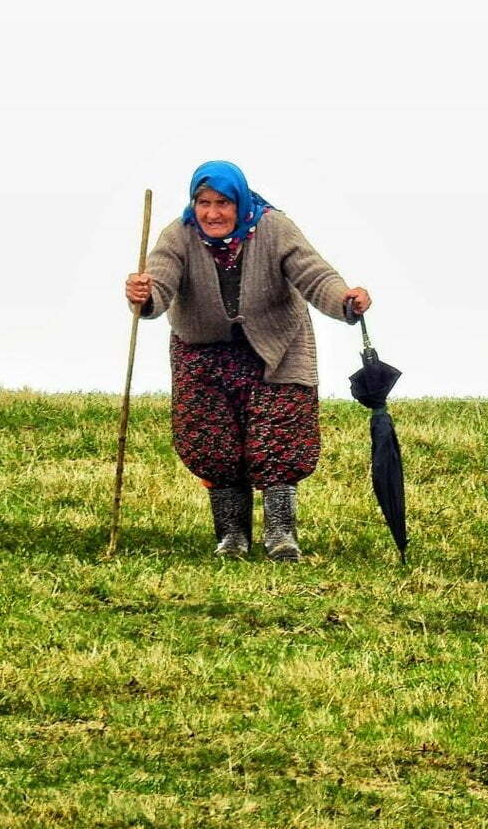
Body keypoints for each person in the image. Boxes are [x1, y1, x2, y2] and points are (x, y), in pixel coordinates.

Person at [125, 160, 371, 561]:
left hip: (276, 346)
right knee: (212, 444)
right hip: (202, 352)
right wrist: (144, 295)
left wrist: (346, 300)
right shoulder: (179, 234)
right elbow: (160, 282)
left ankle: (281, 535)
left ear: (240, 202)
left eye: (223, 202)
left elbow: (314, 275)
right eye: (203, 202)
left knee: (281, 439)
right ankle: (232, 537)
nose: (213, 213)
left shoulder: (274, 228)